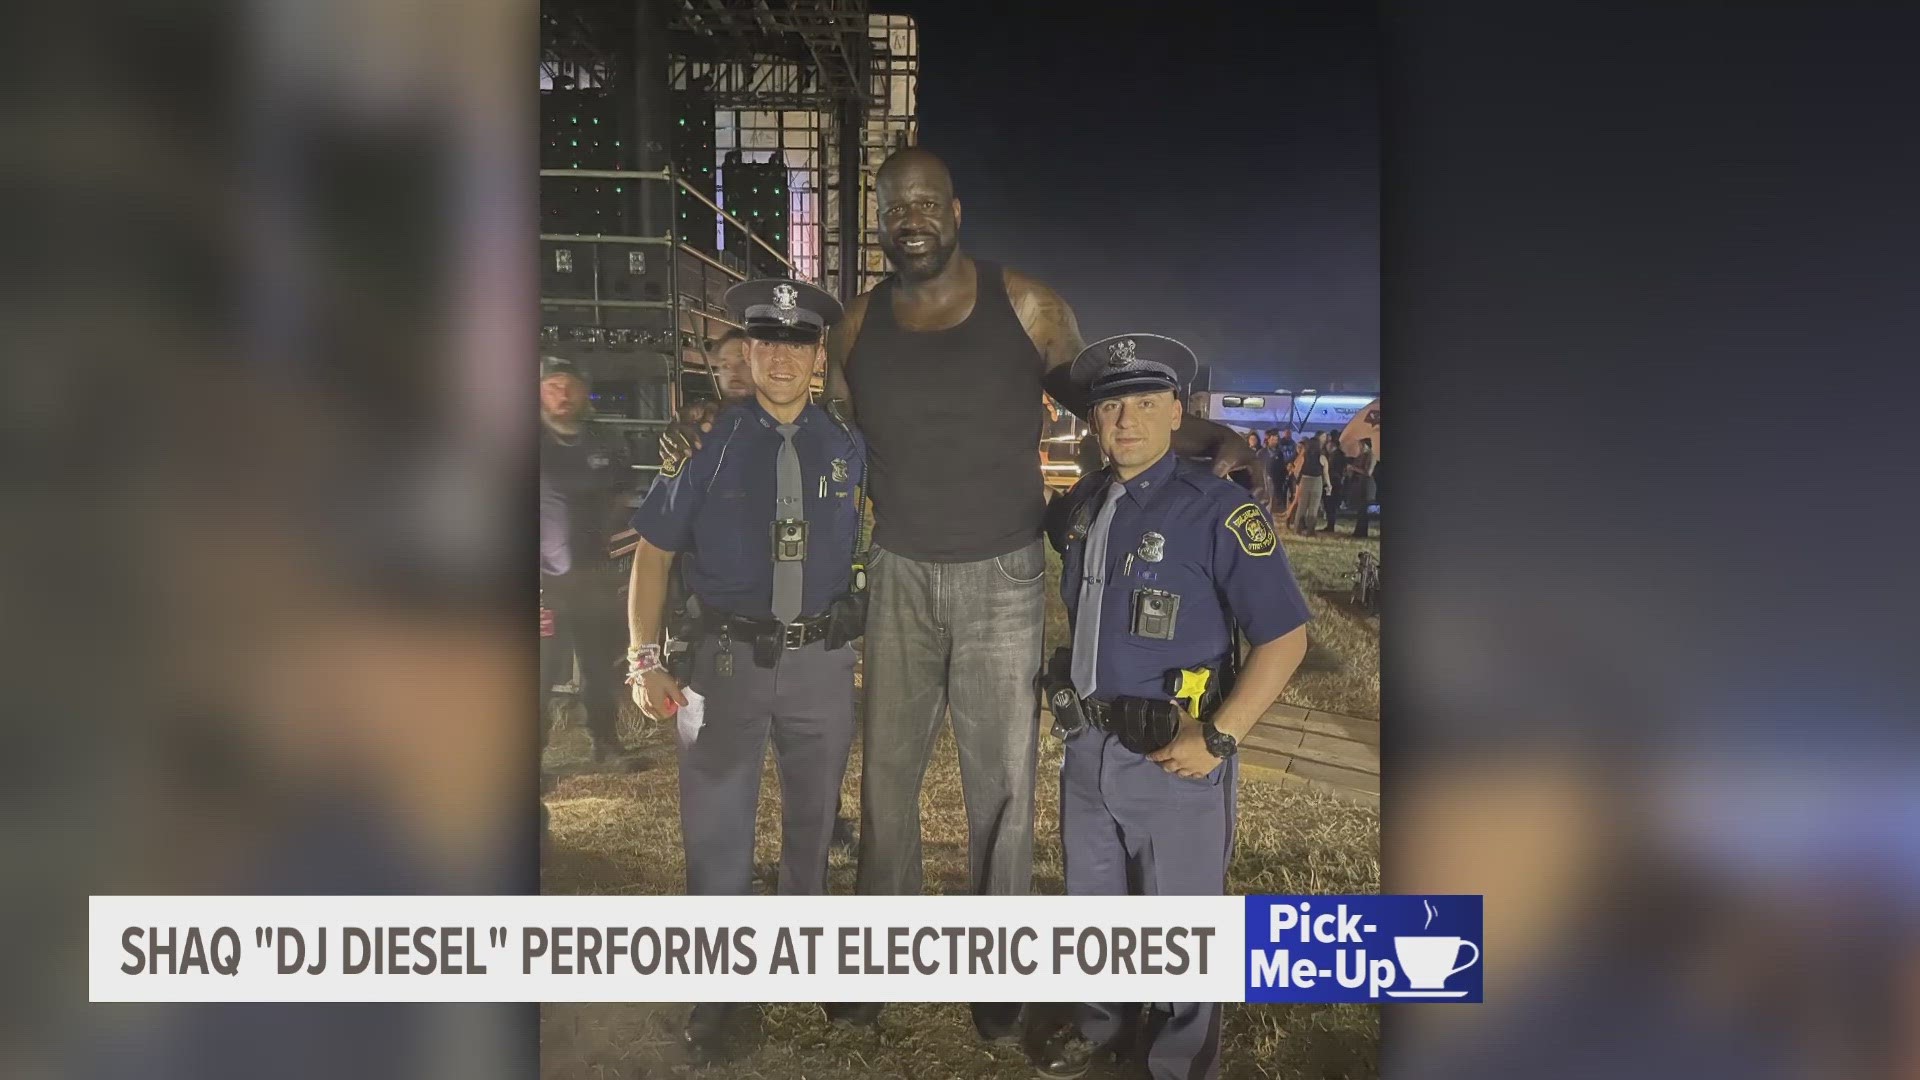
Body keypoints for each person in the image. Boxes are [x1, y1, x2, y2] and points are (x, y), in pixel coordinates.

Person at [665, 148, 1256, 1041]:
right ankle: (872, 966)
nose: (911, 217)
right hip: (898, 572)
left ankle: (997, 975)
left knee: (1003, 790)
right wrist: (708, 471)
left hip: (1005, 576)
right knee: (888, 786)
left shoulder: (1027, 305)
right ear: (878, 218)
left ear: (956, 211)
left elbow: (1111, 401)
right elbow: (804, 424)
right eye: (895, 205)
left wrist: (1215, 435)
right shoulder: (858, 326)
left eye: (926, 203)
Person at [1031, 334, 1311, 1080]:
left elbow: (1285, 638)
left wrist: (1220, 739)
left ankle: (1179, 1061)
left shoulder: (1217, 508)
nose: (1126, 419)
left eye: (1145, 403)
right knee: (1096, 911)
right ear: (1093, 421)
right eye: (1111, 405)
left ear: (1174, 412)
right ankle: (1101, 1027)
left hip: (1175, 757)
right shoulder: (1086, 506)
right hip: (1088, 751)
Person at [624, 278, 866, 1056]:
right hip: (722, 665)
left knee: (813, 824)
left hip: (822, 665)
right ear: (747, 353)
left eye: (799, 343)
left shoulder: (846, 446)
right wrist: (642, 660)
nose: (783, 358)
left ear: (818, 356)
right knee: (717, 835)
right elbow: (654, 556)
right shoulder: (703, 445)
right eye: (767, 342)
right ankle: (720, 991)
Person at [539, 355, 639, 764]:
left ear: (584, 388)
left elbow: (626, 497)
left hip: (595, 576)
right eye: (551, 385)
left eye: (569, 384)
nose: (561, 394)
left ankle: (606, 743)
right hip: (544, 584)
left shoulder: (607, 440)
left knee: (599, 666)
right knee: (538, 674)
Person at [1293, 433, 1326, 535]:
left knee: (1302, 506)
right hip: (1317, 481)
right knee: (1313, 507)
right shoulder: (1322, 457)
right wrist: (1328, 485)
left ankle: (1297, 529)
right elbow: (1325, 472)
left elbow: (1296, 469)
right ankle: (1310, 530)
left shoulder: (1304, 456)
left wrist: (1298, 479)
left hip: (1305, 480)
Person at [1347, 436, 1376, 539]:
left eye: (1362, 445)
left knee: (1364, 509)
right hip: (1359, 483)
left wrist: (1354, 468)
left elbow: (1368, 472)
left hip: (1367, 484)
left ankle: (1363, 532)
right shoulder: (1360, 456)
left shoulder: (1371, 456)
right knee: (1360, 509)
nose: (1360, 447)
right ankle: (1358, 531)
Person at [1321, 433, 1349, 534]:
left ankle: (1330, 525)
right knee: (1329, 504)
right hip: (1334, 481)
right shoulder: (1335, 455)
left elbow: (1334, 470)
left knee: (1330, 504)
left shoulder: (1336, 456)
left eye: (1328, 445)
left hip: (1334, 482)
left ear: (1332, 445)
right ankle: (1330, 524)